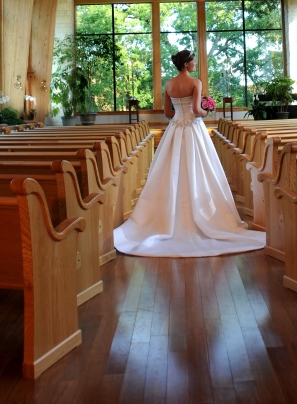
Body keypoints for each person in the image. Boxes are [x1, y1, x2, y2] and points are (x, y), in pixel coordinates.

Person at [113, 49, 266, 257]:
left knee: (169, 170)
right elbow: (196, 110)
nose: (195, 63)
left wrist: (181, 112)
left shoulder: (168, 84)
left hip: (175, 130)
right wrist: (207, 109)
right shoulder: (196, 83)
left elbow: (168, 113)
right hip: (193, 129)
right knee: (200, 168)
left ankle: (162, 219)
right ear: (186, 64)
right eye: (193, 60)